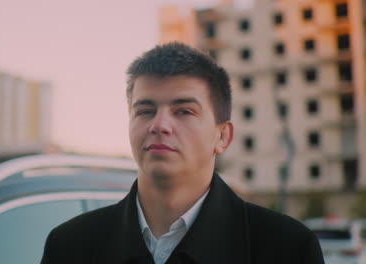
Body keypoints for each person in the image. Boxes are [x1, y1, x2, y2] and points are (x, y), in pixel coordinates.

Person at [41, 42, 324, 264]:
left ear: (222, 136)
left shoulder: (287, 248)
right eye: (145, 110)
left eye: (184, 111)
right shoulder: (70, 246)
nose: (159, 125)